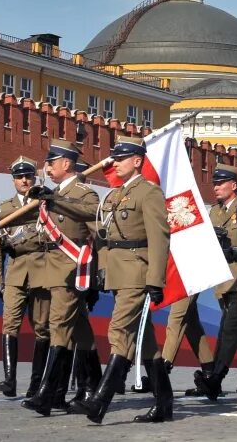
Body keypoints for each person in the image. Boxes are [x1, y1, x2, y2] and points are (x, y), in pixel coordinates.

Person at [74, 136, 171, 423]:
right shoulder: (114, 195)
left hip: (137, 272)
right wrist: (53, 200)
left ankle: (100, 401)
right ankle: (165, 404)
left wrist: (155, 279)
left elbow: (159, 238)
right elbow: (101, 232)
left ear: (137, 160)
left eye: (121, 158)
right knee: (148, 342)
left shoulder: (148, 193)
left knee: (119, 330)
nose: (114, 162)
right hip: (119, 272)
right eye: (114, 158)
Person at [6, 141, 101, 417]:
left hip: (71, 270)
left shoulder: (83, 192)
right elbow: (25, 219)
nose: (46, 167)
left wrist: (97, 276)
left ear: (66, 164)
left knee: (58, 326)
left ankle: (47, 394)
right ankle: (93, 386)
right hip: (50, 270)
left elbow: (93, 219)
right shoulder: (53, 192)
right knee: (80, 330)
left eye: (51, 162)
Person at [194, 163, 237, 400]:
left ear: (234, 186)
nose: (215, 187)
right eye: (214, 183)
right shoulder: (215, 211)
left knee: (230, 325)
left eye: (220, 183)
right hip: (223, 277)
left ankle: (216, 375)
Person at [0, 157, 51, 399]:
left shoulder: (44, 201)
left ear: (34, 177)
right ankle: (9, 379)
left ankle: (36, 383)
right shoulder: (4, 209)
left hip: (41, 271)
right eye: (19, 177)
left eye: (28, 176)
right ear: (13, 180)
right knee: (9, 325)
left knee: (42, 329)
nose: (24, 180)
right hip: (15, 273)